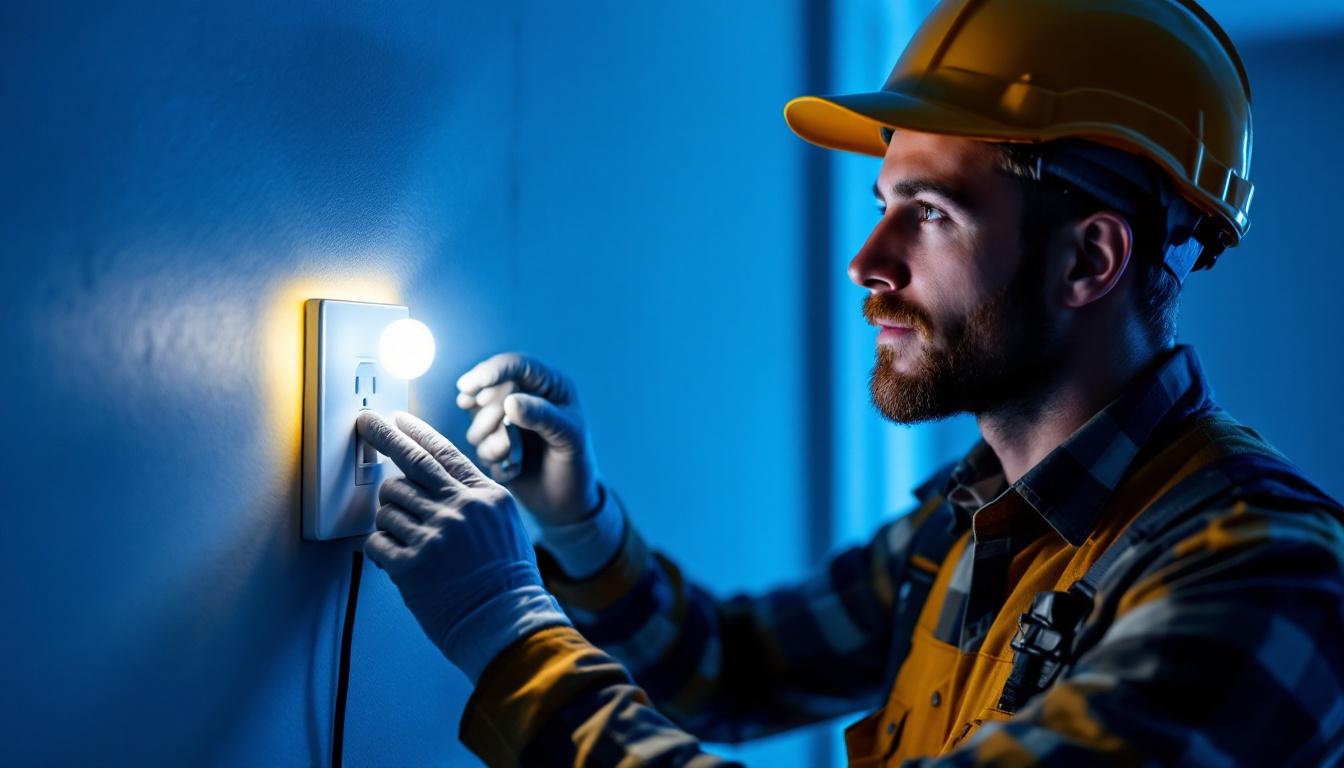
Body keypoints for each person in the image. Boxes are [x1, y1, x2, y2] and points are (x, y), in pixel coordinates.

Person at [354, 0, 1344, 764]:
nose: (867, 262)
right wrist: (581, 527)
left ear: (1089, 260)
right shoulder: (970, 522)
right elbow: (733, 673)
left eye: (933, 212)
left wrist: (511, 633)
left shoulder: (1266, 579)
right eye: (883, 206)